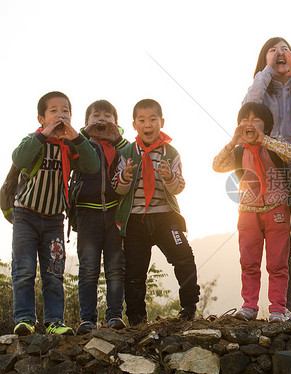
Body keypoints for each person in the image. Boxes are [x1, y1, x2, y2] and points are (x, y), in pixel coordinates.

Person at [11, 91, 100, 336]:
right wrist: (44, 135)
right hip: (25, 217)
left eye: (66, 111)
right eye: (54, 111)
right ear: (41, 118)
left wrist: (77, 138)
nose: (61, 115)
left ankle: (53, 322)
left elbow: (92, 166)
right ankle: (25, 319)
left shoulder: (71, 147)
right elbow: (18, 158)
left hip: (53, 221)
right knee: (25, 269)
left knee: (53, 272)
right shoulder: (33, 140)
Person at [243, 37, 291, 322]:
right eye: (272, 50)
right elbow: (248, 108)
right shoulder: (261, 90)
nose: (280, 53)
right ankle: (282, 308)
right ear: (264, 60)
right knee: (279, 246)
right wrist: (266, 70)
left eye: (285, 49)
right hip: (271, 174)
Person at [112, 99, 199, 326]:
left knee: (184, 257)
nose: (147, 124)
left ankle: (189, 307)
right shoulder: (127, 152)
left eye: (152, 119)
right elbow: (117, 188)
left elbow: (179, 187)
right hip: (135, 220)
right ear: (134, 124)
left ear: (162, 122)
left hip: (165, 217)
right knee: (134, 271)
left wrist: (169, 177)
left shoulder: (171, 153)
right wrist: (125, 178)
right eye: (142, 120)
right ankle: (137, 317)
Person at [213, 102, 291, 323]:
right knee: (248, 262)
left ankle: (278, 308)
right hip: (248, 210)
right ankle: (249, 305)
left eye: (255, 119)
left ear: (266, 125)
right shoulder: (239, 152)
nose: (249, 123)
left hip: (277, 208)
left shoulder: (274, 145)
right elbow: (217, 165)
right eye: (244, 119)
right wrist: (232, 142)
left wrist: (264, 140)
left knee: (278, 262)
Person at [70, 100, 128, 335]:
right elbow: (71, 154)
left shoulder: (122, 146)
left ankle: (114, 315)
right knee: (89, 268)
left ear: (116, 122)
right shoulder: (79, 144)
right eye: (96, 115)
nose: (102, 119)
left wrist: (118, 139)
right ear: (86, 122)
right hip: (87, 212)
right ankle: (87, 319)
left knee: (115, 267)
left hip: (114, 212)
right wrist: (84, 135)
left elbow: (132, 159)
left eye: (108, 116)